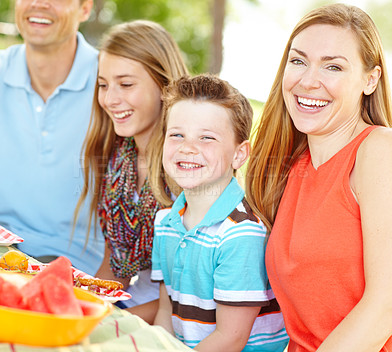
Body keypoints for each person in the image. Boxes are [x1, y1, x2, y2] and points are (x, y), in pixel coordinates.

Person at [246, 3, 392, 351]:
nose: (308, 81)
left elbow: (385, 306)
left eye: (333, 66)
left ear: (370, 80)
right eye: (298, 61)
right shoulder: (291, 166)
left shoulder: (379, 151)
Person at [151, 74, 289, 352]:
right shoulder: (166, 223)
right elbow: (165, 315)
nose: (188, 147)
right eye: (177, 135)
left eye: (207, 138)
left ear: (239, 155)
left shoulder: (242, 233)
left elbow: (230, 339)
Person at [74, 20, 189, 323]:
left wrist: (97, 320)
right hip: (132, 304)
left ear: (165, 87)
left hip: (183, 321)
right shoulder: (119, 161)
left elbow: (187, 299)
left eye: (126, 84)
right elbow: (115, 265)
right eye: (103, 85)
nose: (110, 99)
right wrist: (78, 305)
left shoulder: (188, 170)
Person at [0, 0, 104, 275]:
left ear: (85, 8)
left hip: (79, 270)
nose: (38, 4)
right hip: (0, 255)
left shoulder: (113, 81)